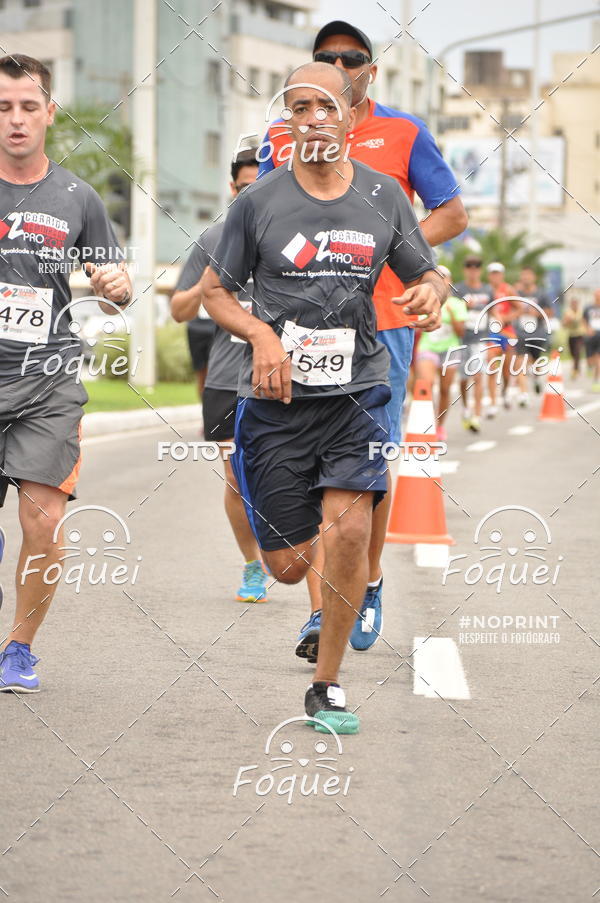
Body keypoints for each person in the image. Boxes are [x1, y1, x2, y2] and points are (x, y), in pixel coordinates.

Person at [200, 62, 446, 733]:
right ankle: (300, 536)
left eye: (324, 107)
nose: (311, 119)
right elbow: (216, 292)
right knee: (285, 567)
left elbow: (427, 272)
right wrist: (261, 336)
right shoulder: (261, 202)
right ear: (287, 122)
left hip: (357, 390)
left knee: (351, 531)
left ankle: (327, 684)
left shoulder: (382, 197)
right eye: (298, 108)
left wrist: (431, 290)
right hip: (279, 402)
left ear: (349, 116)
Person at [257, 20, 467, 659]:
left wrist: (398, 257)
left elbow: (452, 212)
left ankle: (366, 581)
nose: (340, 67)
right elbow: (258, 213)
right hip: (298, 327)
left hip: (386, 325)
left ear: (370, 72)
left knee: (362, 468)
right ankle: (322, 612)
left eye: (352, 59)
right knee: (306, 474)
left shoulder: (403, 133)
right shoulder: (281, 134)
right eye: (326, 58)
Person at [0, 55, 132, 692]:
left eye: (28, 106)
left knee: (42, 522)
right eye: (3, 107)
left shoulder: (79, 198)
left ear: (49, 113)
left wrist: (116, 284)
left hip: (47, 381)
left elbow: (113, 288)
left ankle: (19, 648)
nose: (16, 119)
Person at [170, 148, 269, 603]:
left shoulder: (291, 233)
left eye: (261, 186)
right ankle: (252, 566)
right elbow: (178, 310)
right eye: (245, 188)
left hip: (282, 377)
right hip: (227, 381)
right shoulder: (213, 238)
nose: (253, 196)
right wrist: (210, 279)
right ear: (233, 190)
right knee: (236, 480)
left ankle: (298, 560)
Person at [415, 266, 466, 441]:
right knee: (425, 385)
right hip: (428, 347)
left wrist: (450, 315)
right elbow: (419, 327)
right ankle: (426, 424)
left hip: (450, 349)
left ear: (450, 281)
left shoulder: (457, 304)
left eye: (444, 277)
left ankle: (440, 426)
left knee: (445, 390)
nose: (442, 280)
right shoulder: (426, 301)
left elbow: (460, 333)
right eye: (438, 277)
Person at [454, 256, 494, 431]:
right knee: (464, 379)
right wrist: (464, 307)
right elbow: (453, 311)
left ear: (480, 270)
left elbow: (493, 312)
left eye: (476, 267)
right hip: (462, 339)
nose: (473, 270)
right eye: (469, 267)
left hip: (480, 339)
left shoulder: (487, 290)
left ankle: (477, 415)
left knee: (478, 376)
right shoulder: (459, 289)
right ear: (465, 270)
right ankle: (465, 408)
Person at [513, 266, 552, 405]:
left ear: (533, 277)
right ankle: (523, 393)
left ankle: (536, 378)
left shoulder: (542, 294)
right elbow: (510, 308)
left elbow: (550, 312)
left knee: (536, 361)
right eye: (523, 275)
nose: (526, 278)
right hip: (520, 333)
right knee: (521, 361)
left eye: (528, 275)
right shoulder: (516, 293)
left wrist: (537, 313)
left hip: (537, 334)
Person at [486, 262, 518, 410]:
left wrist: (506, 318)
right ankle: (493, 402)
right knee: (492, 365)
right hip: (490, 332)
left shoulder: (508, 289)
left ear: (502, 275)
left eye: (497, 273)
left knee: (506, 368)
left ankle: (505, 391)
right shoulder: (485, 290)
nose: (495, 276)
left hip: (507, 331)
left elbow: (520, 308)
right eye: (493, 273)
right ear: (488, 275)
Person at [562, 297, 586, 380]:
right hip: (571, 335)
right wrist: (568, 321)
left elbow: (584, 321)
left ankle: (575, 370)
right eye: (573, 303)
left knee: (577, 352)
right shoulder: (568, 312)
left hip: (580, 334)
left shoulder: (581, 312)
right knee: (572, 353)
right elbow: (563, 324)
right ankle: (577, 367)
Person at [583, 288, 600, 389]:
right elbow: (583, 320)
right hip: (591, 335)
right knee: (590, 360)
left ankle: (596, 381)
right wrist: (587, 328)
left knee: (598, 358)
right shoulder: (588, 307)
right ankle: (589, 366)